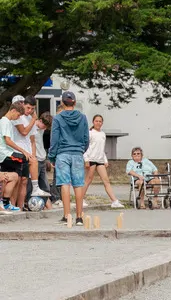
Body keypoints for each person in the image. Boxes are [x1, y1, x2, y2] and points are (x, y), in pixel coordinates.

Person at [48, 91, 90, 225]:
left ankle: (67, 216)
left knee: (64, 184)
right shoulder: (82, 117)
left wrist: (52, 156)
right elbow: (86, 139)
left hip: (62, 154)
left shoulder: (58, 118)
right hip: (77, 153)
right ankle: (79, 217)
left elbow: (54, 140)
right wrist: (81, 150)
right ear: (75, 103)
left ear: (62, 103)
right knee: (78, 185)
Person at [12, 96, 50, 207]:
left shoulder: (30, 118)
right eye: (28, 108)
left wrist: (33, 156)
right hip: (17, 151)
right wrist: (33, 119)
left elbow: (32, 140)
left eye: (32, 109)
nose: (30, 111)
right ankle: (13, 205)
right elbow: (24, 132)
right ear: (23, 105)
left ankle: (20, 207)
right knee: (17, 181)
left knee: (24, 181)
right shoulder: (18, 117)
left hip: (28, 153)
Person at [84, 115, 124, 208]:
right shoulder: (90, 133)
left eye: (100, 121)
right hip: (91, 159)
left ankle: (114, 201)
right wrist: (86, 160)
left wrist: (105, 160)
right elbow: (85, 147)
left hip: (100, 160)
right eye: (96, 121)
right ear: (93, 122)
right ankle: (81, 199)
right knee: (88, 180)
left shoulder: (103, 134)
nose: (98, 123)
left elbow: (102, 149)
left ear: (102, 123)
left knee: (106, 181)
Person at [0, 100, 30, 212]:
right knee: (25, 160)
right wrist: (23, 151)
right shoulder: (5, 121)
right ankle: (35, 186)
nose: (17, 118)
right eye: (18, 115)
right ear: (13, 110)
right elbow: (7, 141)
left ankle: (7, 203)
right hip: (5, 153)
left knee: (14, 176)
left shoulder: (7, 122)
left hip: (7, 152)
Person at [29, 112, 54, 210]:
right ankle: (30, 204)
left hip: (42, 159)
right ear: (39, 120)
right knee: (32, 186)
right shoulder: (32, 127)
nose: (45, 128)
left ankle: (49, 208)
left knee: (45, 186)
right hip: (35, 160)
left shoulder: (41, 129)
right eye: (44, 125)